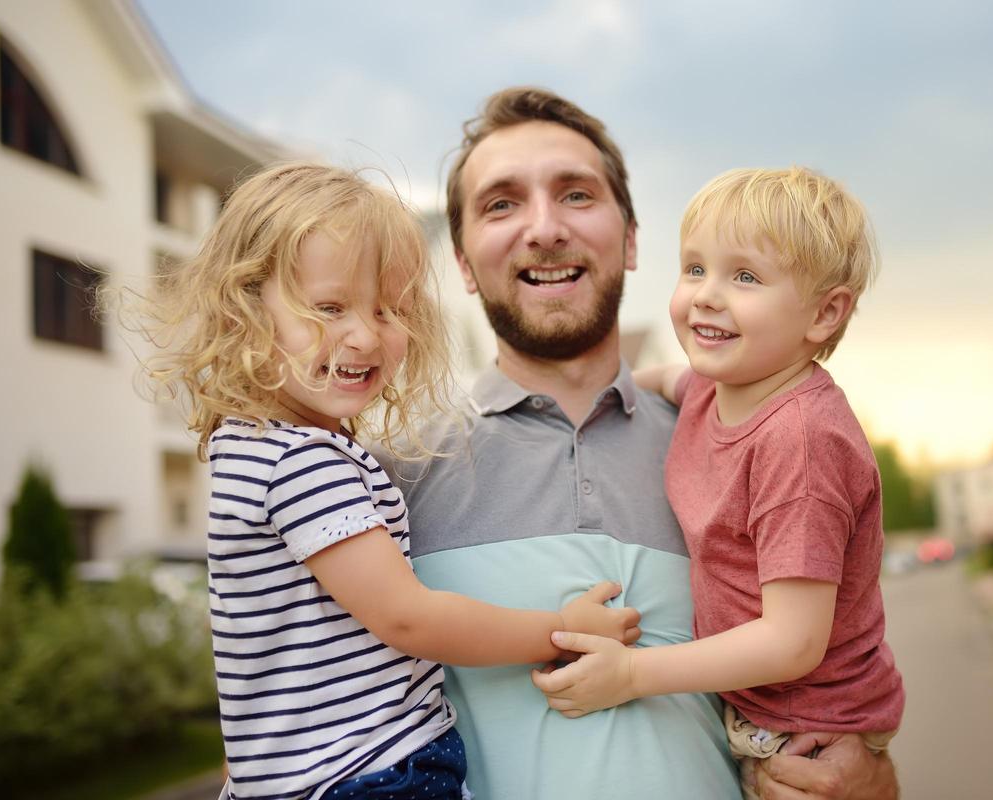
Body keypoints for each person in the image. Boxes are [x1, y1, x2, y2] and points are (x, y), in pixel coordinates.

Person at [386, 88, 900, 799]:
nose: (543, 229)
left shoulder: (745, 438)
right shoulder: (389, 475)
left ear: (630, 239)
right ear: (464, 262)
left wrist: (868, 780)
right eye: (501, 204)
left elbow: (833, 671)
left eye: (575, 194)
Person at [126, 162, 640, 800]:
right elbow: (409, 619)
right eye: (329, 307)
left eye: (389, 309)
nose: (365, 335)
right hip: (373, 774)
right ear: (244, 311)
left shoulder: (249, 444)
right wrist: (563, 630)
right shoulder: (303, 463)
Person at [531, 167, 905, 799]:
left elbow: (793, 642)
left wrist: (629, 675)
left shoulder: (801, 440)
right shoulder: (715, 388)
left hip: (805, 729)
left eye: (746, 277)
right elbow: (664, 380)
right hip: (755, 707)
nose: (706, 295)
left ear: (825, 312)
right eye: (695, 269)